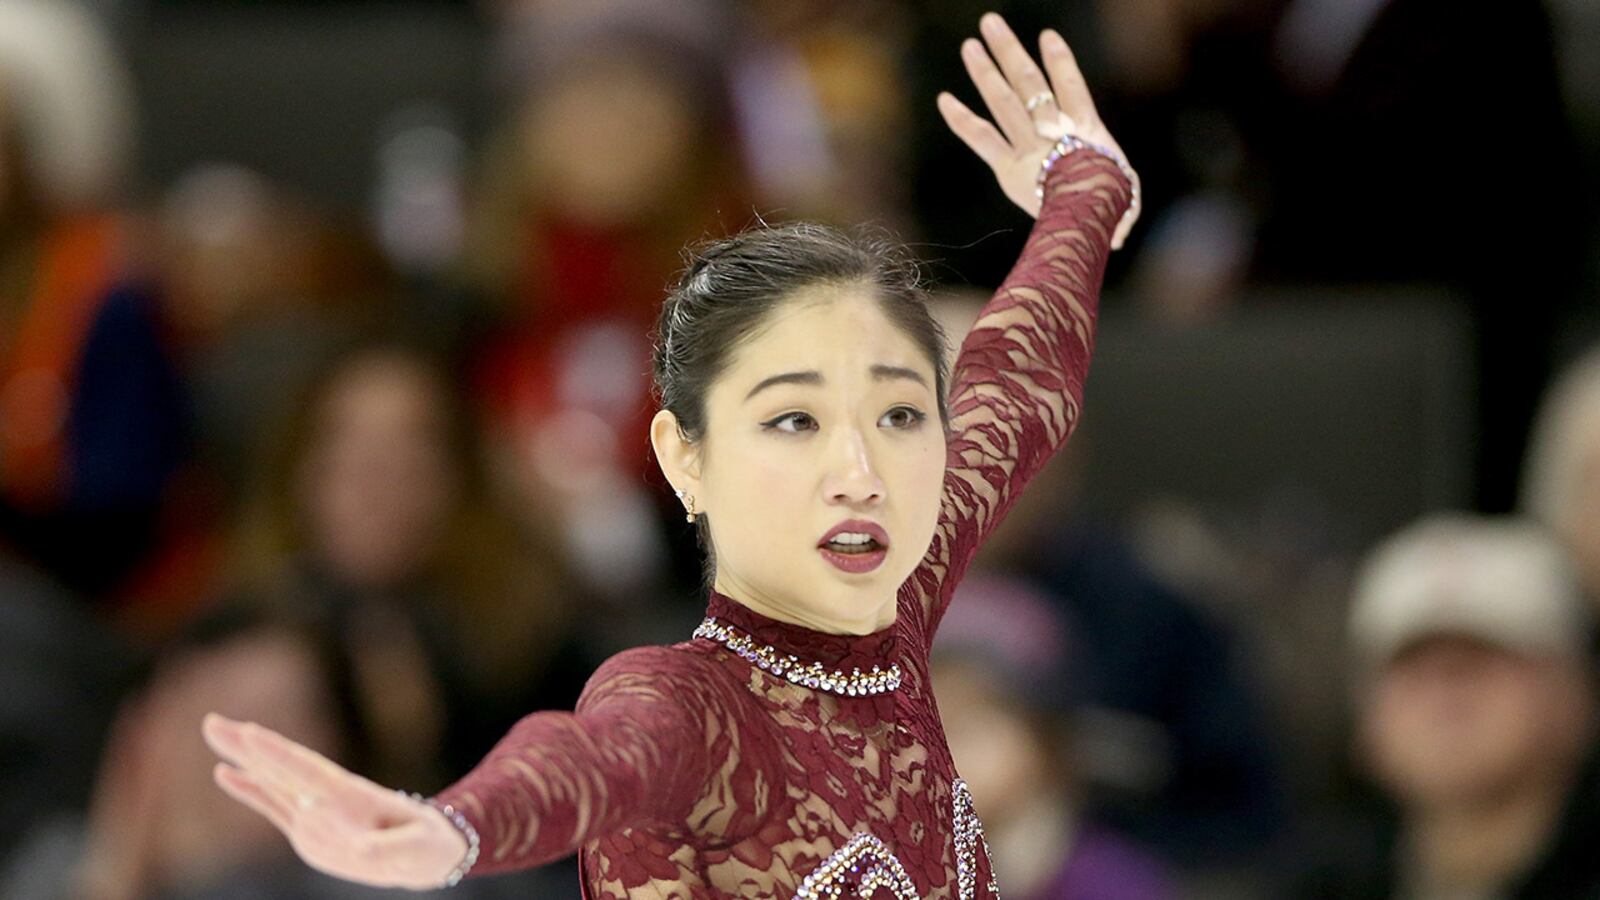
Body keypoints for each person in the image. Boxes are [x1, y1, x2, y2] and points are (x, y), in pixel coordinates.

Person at [199, 12, 1139, 896]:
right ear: (687, 461)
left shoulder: (906, 591)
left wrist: (1085, 194)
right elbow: (590, 763)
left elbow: (1017, 386)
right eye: (792, 424)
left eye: (893, 417)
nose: (854, 469)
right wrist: (459, 827)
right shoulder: (692, 705)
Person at [1296, 515, 1600, 899]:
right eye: (1412, 667)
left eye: (1479, 661)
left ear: (1573, 693)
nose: (1444, 694)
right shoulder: (1317, 881)